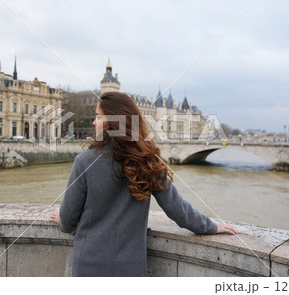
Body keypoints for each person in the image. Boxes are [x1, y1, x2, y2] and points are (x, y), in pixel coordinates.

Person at [50, 92, 238, 277]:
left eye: (98, 117)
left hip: (89, 266)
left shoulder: (84, 161)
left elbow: (67, 223)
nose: (93, 122)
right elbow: (177, 209)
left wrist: (66, 221)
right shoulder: (148, 160)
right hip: (131, 268)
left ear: (113, 122)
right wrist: (210, 226)